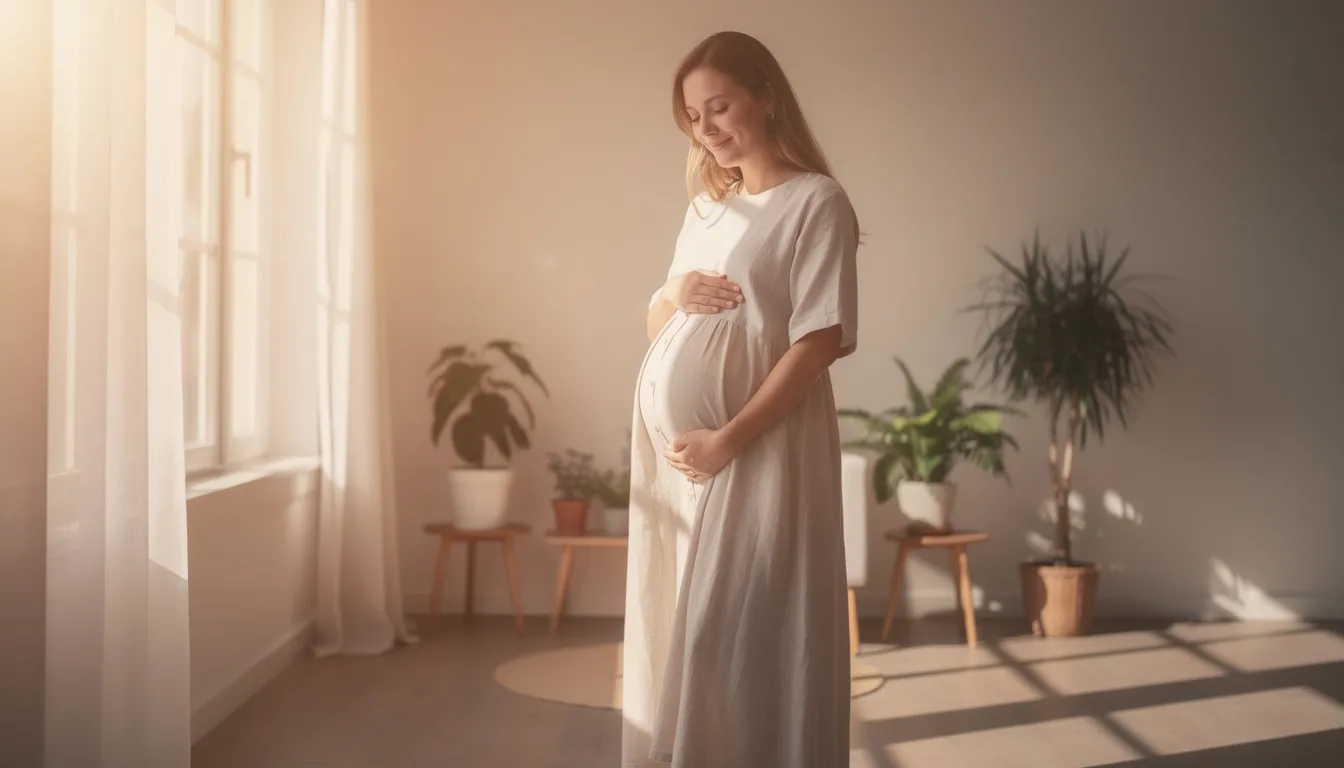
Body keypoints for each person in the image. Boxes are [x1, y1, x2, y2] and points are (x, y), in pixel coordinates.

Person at [622, 30, 861, 768]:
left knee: (736, 634)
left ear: (767, 96)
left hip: (759, 451)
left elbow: (820, 340)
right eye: (694, 117)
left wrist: (730, 437)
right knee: (683, 631)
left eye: (719, 106)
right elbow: (664, 323)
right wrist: (670, 293)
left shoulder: (816, 202)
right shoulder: (706, 211)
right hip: (679, 468)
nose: (708, 128)